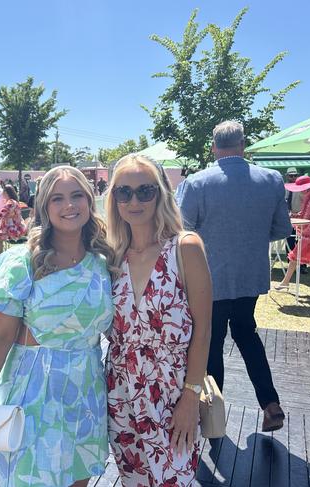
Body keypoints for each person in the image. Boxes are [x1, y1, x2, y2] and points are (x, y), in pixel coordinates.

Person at [0, 166, 117, 487]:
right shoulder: (23, 263)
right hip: (30, 392)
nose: (69, 205)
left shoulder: (104, 264)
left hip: (84, 390)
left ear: (90, 201)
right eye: (57, 198)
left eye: (77, 196)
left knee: (77, 479)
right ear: (44, 207)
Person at [176, 120, 292, 432]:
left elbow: (181, 231)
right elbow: (283, 229)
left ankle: (214, 416)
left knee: (209, 342)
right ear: (243, 145)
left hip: (208, 279)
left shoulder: (197, 183)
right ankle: (270, 403)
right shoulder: (271, 179)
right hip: (248, 277)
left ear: (213, 147)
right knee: (247, 334)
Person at [105, 155, 211, 486]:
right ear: (114, 198)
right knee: (132, 479)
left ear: (162, 193)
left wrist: (191, 396)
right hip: (119, 392)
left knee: (174, 479)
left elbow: (204, 330)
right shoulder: (111, 256)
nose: (134, 201)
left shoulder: (185, 248)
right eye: (124, 192)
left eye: (145, 191)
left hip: (171, 393)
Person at [275, 175, 310, 289]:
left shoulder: (309, 198)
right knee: (301, 258)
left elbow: (306, 217)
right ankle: (285, 282)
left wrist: (291, 217)